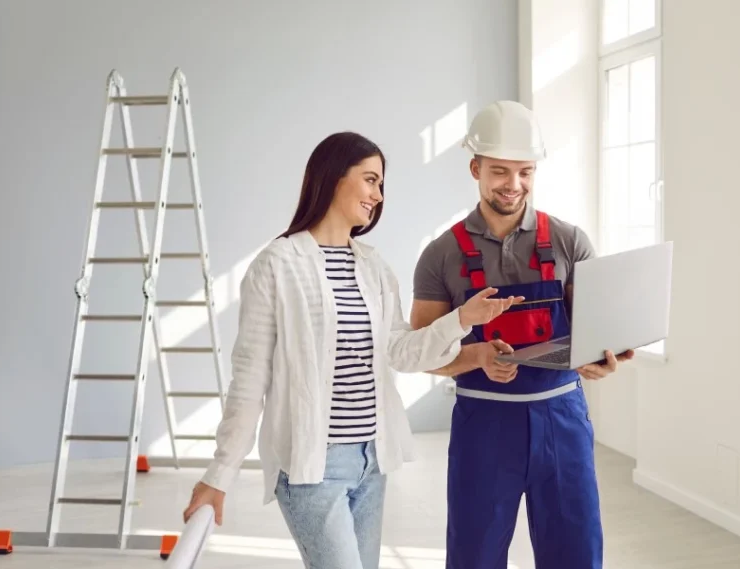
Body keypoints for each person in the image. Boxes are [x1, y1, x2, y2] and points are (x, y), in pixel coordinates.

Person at [181, 131, 522, 569]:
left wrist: (462, 320)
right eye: (370, 180)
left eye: (381, 185)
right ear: (333, 177)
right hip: (312, 469)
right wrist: (219, 476)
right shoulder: (277, 265)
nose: (378, 196)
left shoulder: (374, 267)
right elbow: (249, 382)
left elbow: (401, 352)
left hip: (371, 462)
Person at [410, 101, 634, 569]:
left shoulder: (570, 242)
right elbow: (420, 353)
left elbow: (593, 332)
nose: (514, 185)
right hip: (485, 426)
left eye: (525, 172)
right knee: (475, 555)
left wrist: (601, 358)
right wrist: (475, 359)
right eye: (499, 171)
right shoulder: (441, 255)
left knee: (576, 554)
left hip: (563, 420)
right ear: (475, 168)